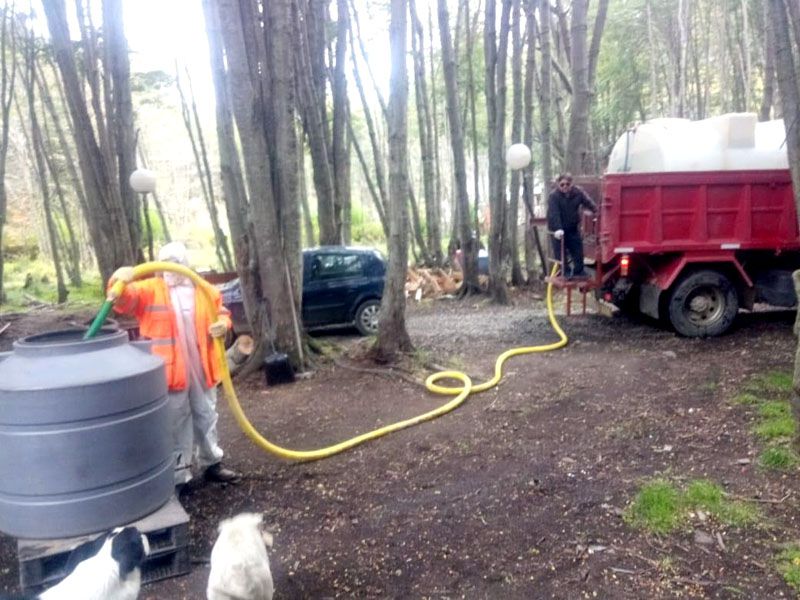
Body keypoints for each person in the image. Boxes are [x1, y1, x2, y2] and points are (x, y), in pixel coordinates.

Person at [107, 242, 241, 489]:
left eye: (176, 262)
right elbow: (122, 300)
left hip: (201, 367)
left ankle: (212, 463)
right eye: (166, 263)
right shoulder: (149, 290)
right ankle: (180, 476)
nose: (171, 269)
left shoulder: (204, 290)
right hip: (170, 371)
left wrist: (223, 324)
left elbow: (222, 312)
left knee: (206, 415)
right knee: (176, 422)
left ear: (186, 264)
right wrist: (120, 277)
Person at [546, 173, 598, 279]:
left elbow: (588, 202)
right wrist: (557, 228)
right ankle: (565, 271)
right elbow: (554, 213)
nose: (565, 187)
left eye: (567, 184)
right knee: (560, 251)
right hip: (558, 229)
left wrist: (596, 212)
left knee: (577, 249)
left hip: (572, 227)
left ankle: (579, 271)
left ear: (571, 184)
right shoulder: (554, 196)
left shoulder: (578, 192)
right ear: (558, 185)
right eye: (562, 185)